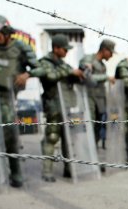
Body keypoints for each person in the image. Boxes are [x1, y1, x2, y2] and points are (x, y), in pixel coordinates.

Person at [0, 14, 46, 188]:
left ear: (6, 31)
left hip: (8, 98)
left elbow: (40, 69)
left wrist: (27, 74)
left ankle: (15, 171)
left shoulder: (20, 47)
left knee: (10, 135)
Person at [38, 34, 84, 182]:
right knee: (51, 138)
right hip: (54, 107)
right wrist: (70, 72)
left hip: (67, 106)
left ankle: (69, 169)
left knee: (69, 138)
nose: (66, 52)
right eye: (64, 49)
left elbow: (72, 77)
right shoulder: (45, 63)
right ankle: (47, 171)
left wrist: (80, 73)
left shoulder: (64, 64)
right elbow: (51, 76)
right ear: (56, 48)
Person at [79, 39, 115, 150]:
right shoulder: (89, 60)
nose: (112, 55)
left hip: (100, 102)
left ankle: (93, 154)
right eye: (111, 52)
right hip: (89, 100)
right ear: (104, 50)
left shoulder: (102, 65)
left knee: (98, 129)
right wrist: (106, 77)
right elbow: (86, 77)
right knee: (89, 127)